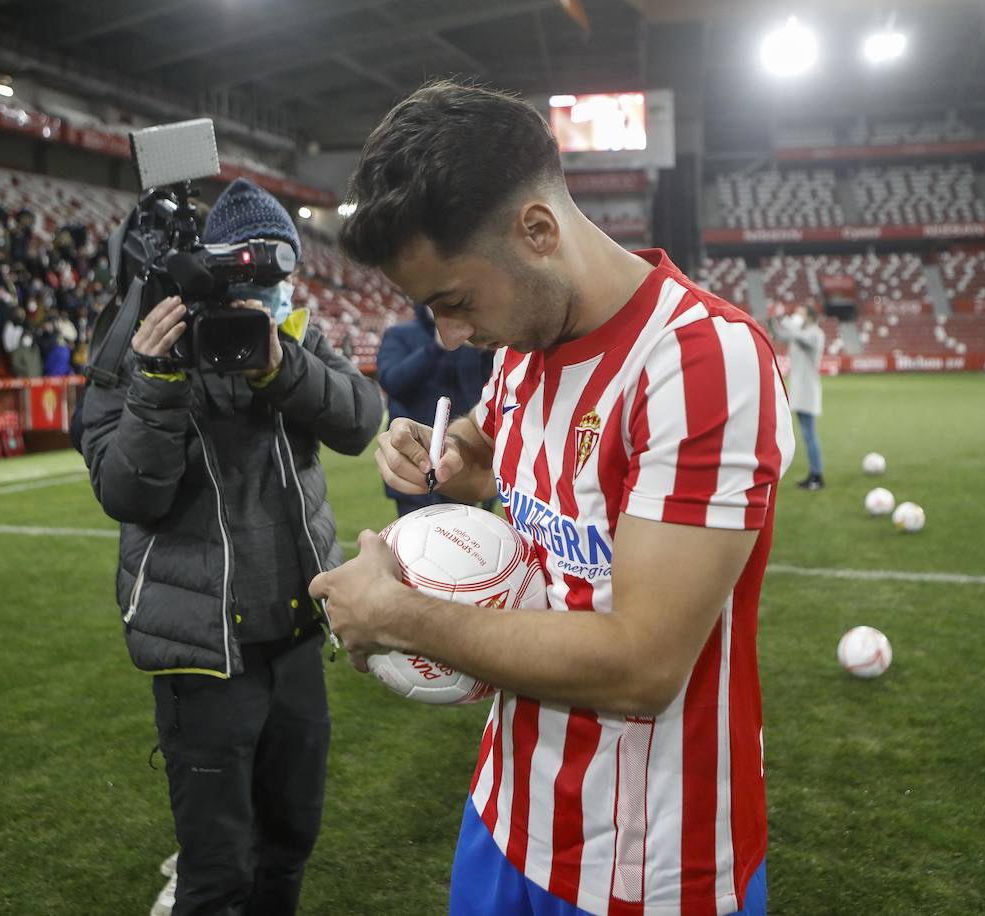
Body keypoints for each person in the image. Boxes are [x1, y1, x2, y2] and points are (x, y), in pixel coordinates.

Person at [311, 81, 792, 916]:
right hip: (507, 812)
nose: (450, 337)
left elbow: (643, 666)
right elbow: (488, 443)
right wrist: (442, 451)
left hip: (651, 866)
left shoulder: (701, 362)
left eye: (455, 304)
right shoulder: (526, 346)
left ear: (538, 231)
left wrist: (399, 616)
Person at [80, 178, 382, 916]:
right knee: (217, 878)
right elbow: (128, 494)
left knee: (289, 847)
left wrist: (281, 367)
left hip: (297, 637)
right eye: (250, 280)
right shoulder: (132, 346)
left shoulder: (294, 339)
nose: (267, 297)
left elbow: (359, 420)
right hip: (203, 654)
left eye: (278, 282)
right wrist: (156, 380)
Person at [374, 304, 494, 517]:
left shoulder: (470, 338)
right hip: (415, 460)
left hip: (461, 459)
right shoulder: (400, 334)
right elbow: (393, 381)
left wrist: (486, 352)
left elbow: (487, 393)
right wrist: (437, 347)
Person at [770, 304, 825, 490]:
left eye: (800, 313)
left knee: (810, 434)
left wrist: (788, 321)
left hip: (808, 391)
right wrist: (772, 320)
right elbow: (779, 335)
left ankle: (817, 476)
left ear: (809, 316)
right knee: (807, 434)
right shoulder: (799, 334)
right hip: (800, 391)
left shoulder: (815, 333)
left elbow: (801, 338)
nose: (796, 315)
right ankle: (813, 474)